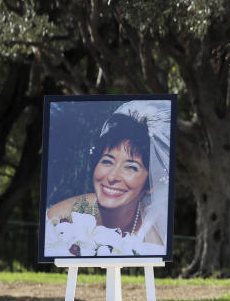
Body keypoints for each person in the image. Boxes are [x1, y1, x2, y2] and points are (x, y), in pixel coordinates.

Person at [44, 100, 170, 257]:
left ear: (150, 185)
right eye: (107, 161)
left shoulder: (153, 239)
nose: (112, 177)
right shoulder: (61, 216)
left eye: (131, 167)